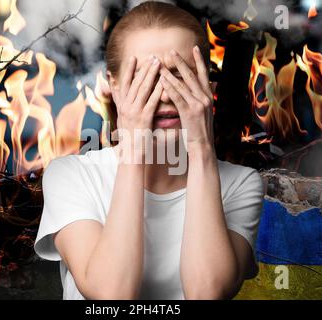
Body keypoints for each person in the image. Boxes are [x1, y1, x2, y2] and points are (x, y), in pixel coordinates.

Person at [34, 1, 264, 300]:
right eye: (144, 77)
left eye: (179, 74)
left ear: (207, 84)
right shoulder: (72, 176)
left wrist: (202, 149)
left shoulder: (241, 183)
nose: (164, 94)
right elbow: (111, 296)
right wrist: (133, 150)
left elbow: (207, 294)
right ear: (113, 88)